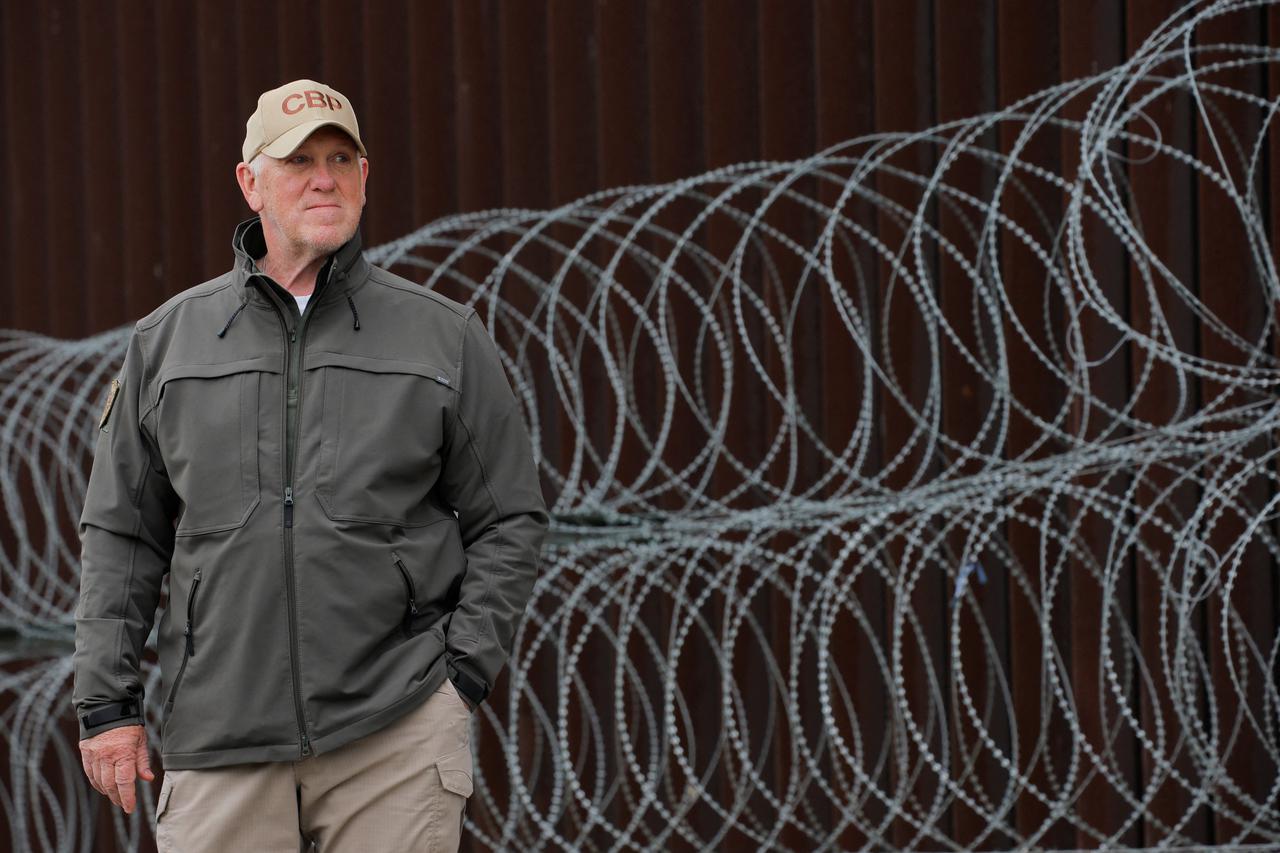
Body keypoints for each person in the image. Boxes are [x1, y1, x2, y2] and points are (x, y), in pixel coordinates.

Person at [72, 79, 548, 852]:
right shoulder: (169, 344)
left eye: (340, 157)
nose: (323, 177)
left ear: (365, 175)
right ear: (250, 182)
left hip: (393, 733)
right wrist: (107, 706)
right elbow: (122, 536)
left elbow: (509, 517)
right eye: (298, 161)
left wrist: (460, 678)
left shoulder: (441, 337)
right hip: (221, 740)